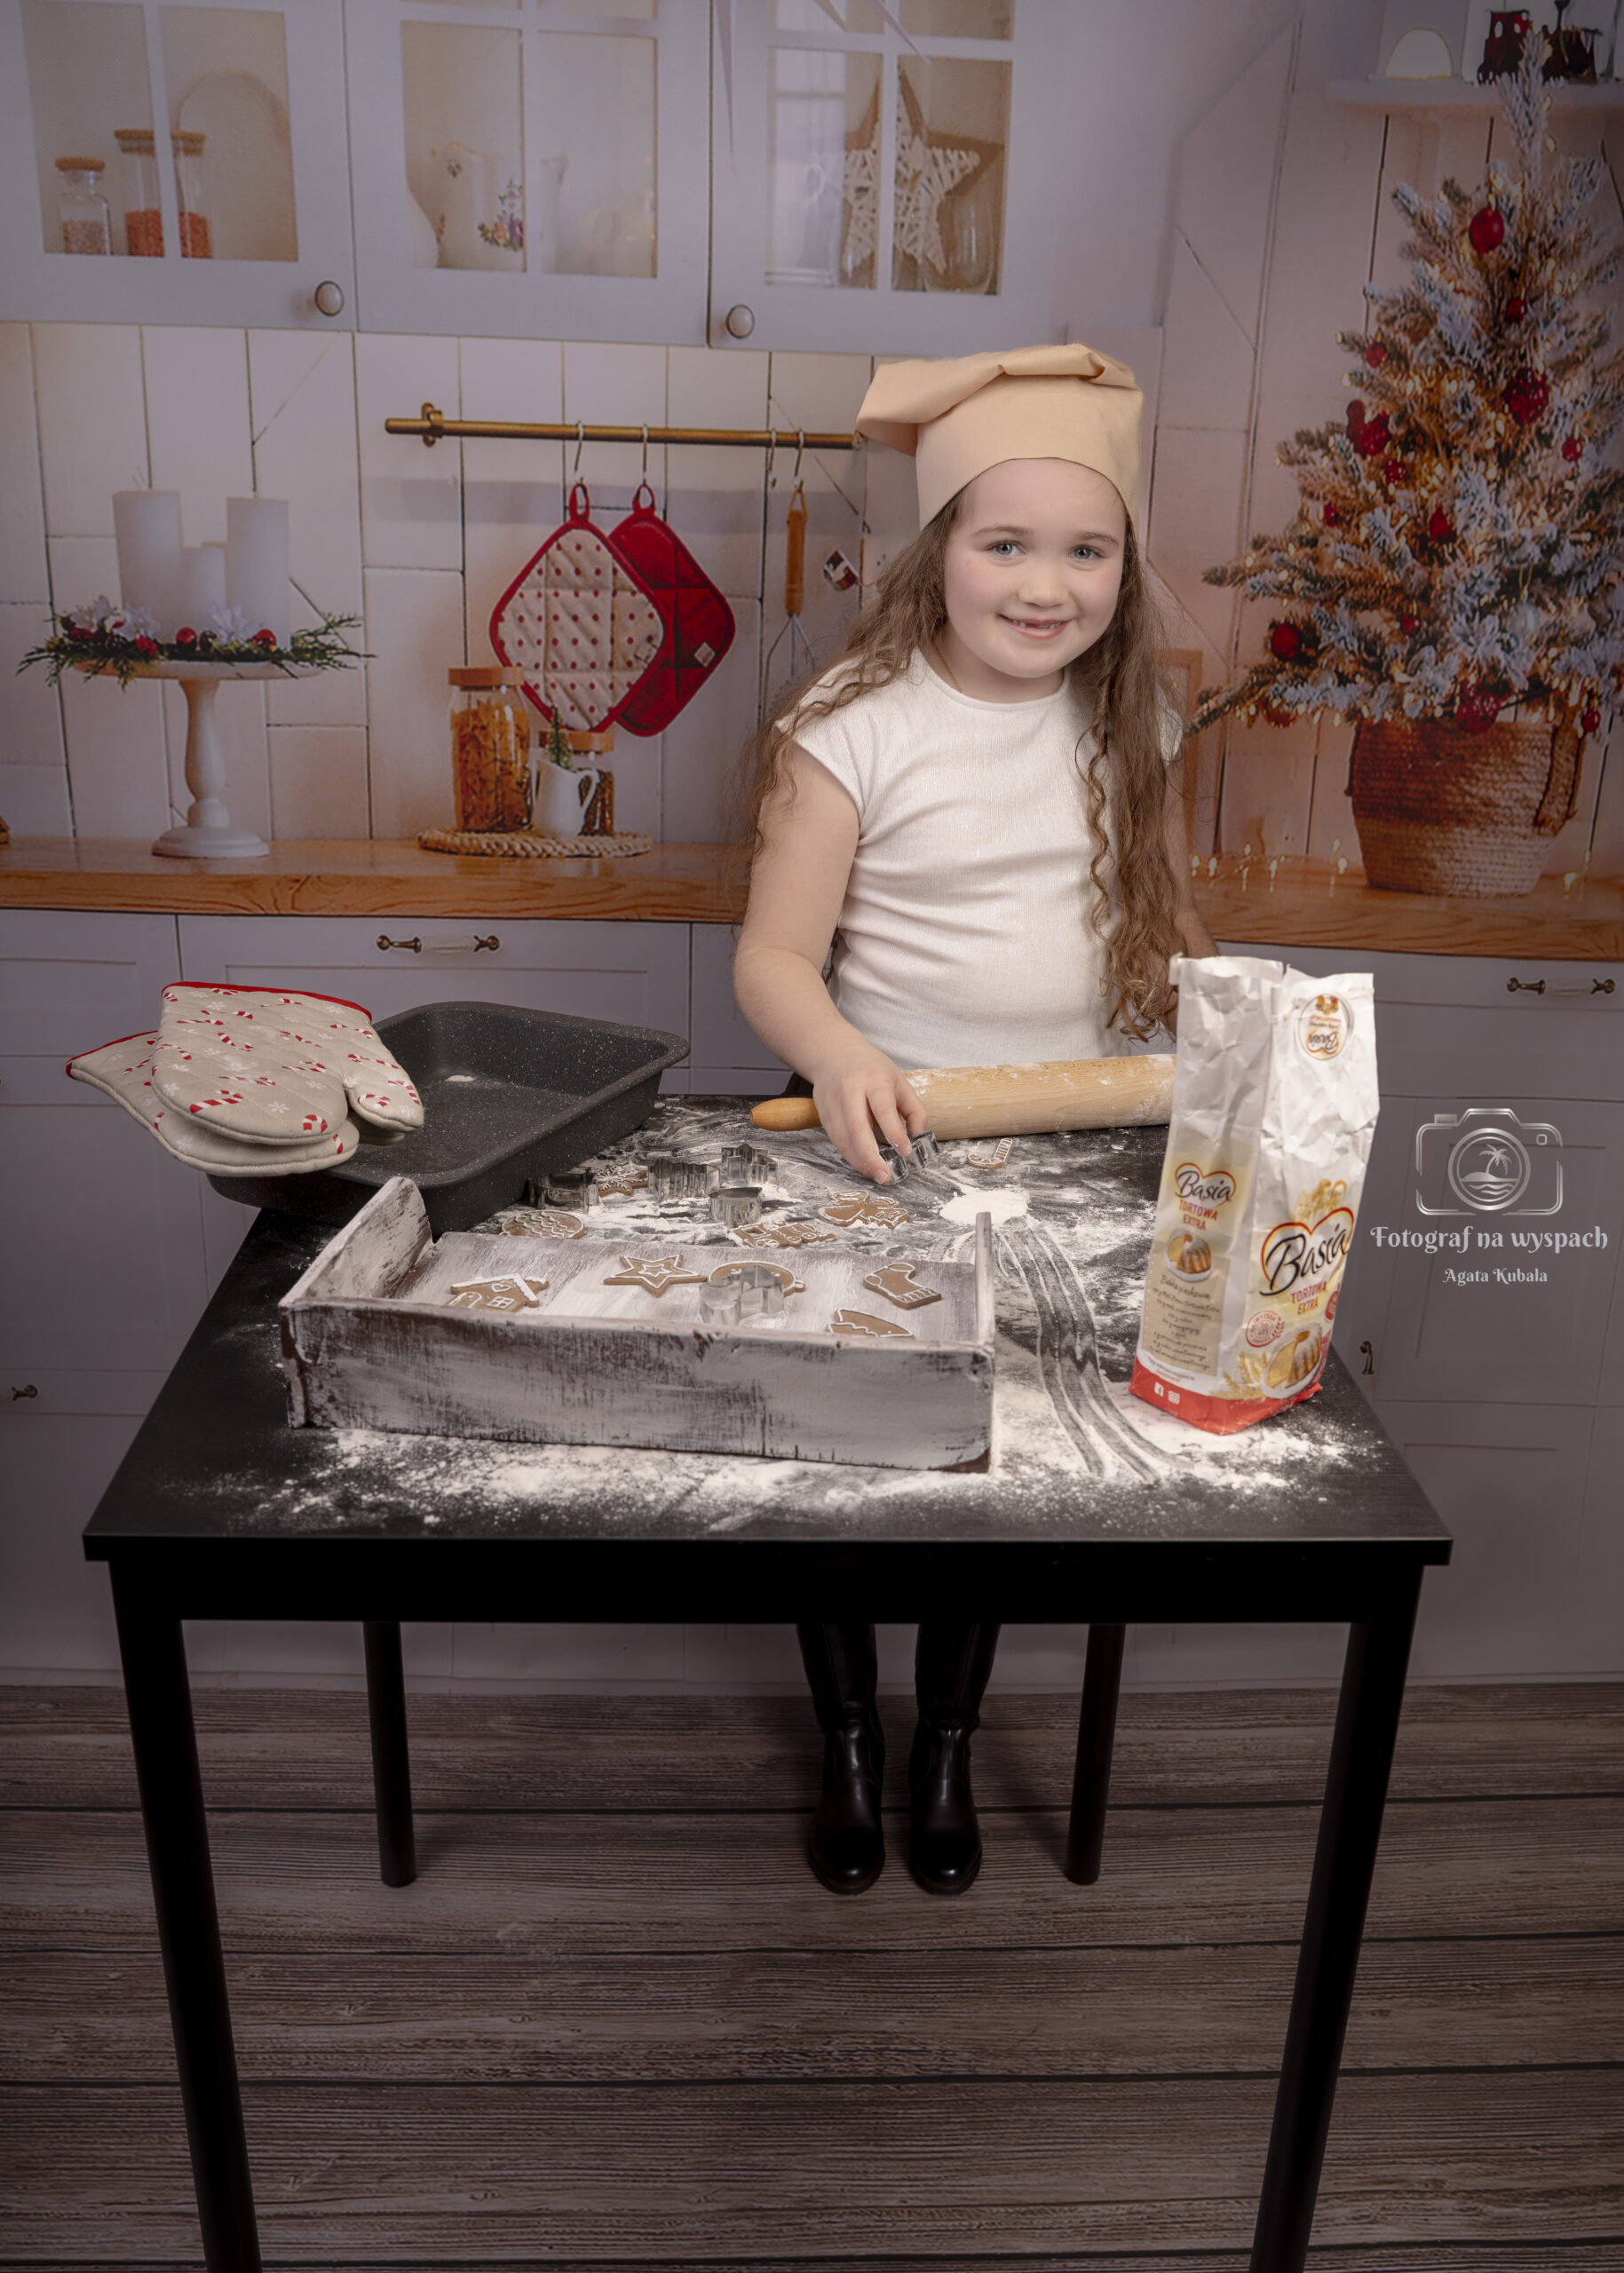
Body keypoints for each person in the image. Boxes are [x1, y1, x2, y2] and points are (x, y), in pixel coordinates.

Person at [733, 345, 1216, 1897]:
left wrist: (1206, 1026)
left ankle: (943, 1739)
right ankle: (847, 1740)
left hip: (1073, 1156)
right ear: (935, 550)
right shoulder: (851, 723)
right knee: (839, 1459)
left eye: (1085, 551)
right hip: (891, 1147)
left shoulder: (1132, 721)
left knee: (993, 1473)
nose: (1044, 585)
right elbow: (773, 960)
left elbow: (1152, 924)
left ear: (1121, 569)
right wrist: (839, 1059)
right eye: (1005, 544)